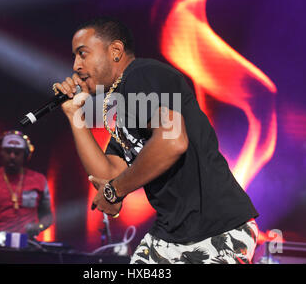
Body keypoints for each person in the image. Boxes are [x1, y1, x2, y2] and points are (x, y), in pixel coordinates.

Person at [54, 17, 259, 264]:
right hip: (168, 237)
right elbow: (108, 177)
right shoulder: (119, 108)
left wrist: (114, 191)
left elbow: (173, 141)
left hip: (217, 230)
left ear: (116, 51)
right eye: (75, 57)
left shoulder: (143, 74)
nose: (76, 65)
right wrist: (74, 115)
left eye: (83, 54)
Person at [0, 130, 53, 239]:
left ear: (25, 154)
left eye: (17, 152)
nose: (12, 156)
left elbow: (48, 215)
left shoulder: (39, 180)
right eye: (8, 151)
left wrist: (39, 226)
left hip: (27, 243)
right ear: (1, 153)